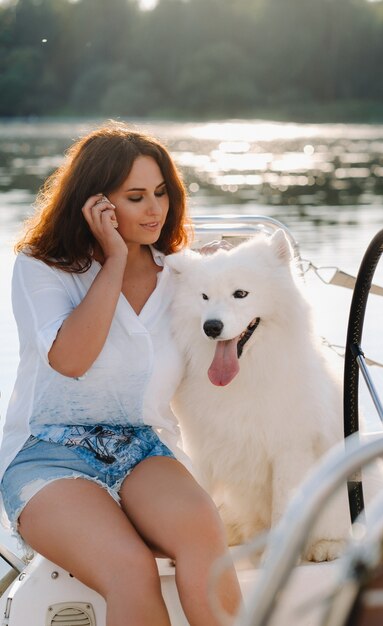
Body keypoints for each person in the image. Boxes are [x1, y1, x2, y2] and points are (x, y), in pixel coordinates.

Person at [0, 123, 241, 626]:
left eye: (161, 194)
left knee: (204, 536)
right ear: (96, 204)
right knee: (130, 568)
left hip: (143, 446)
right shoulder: (43, 266)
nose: (156, 210)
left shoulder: (181, 276)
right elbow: (71, 360)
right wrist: (112, 259)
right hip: (46, 451)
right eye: (136, 197)